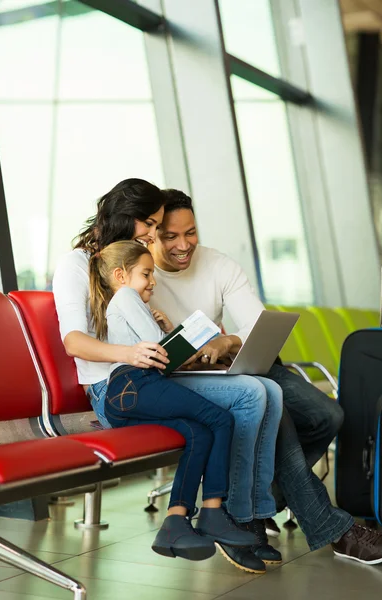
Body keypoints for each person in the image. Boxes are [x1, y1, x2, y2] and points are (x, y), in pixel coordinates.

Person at [146, 187, 382, 568]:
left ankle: (257, 504)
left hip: (238, 362)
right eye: (170, 236)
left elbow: (255, 321)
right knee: (277, 418)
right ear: (152, 233)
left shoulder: (219, 265)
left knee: (327, 415)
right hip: (193, 379)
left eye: (190, 232)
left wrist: (227, 341)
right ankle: (331, 529)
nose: (183, 245)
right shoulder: (143, 276)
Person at [53, 177, 284, 575]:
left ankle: (197, 518)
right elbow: (74, 341)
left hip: (144, 378)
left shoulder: (130, 264)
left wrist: (182, 347)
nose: (154, 234)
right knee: (250, 395)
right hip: (119, 385)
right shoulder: (84, 266)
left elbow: (149, 341)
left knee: (263, 392)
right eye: (150, 224)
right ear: (126, 219)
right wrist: (135, 351)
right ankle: (236, 515)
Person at [87, 239, 262, 561]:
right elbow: (160, 352)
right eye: (145, 274)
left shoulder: (125, 300)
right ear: (121, 275)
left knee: (200, 431)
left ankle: (175, 522)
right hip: (133, 384)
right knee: (221, 419)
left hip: (132, 391)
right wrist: (171, 335)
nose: (152, 281)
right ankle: (212, 512)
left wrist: (166, 329)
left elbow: (158, 352)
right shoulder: (125, 295)